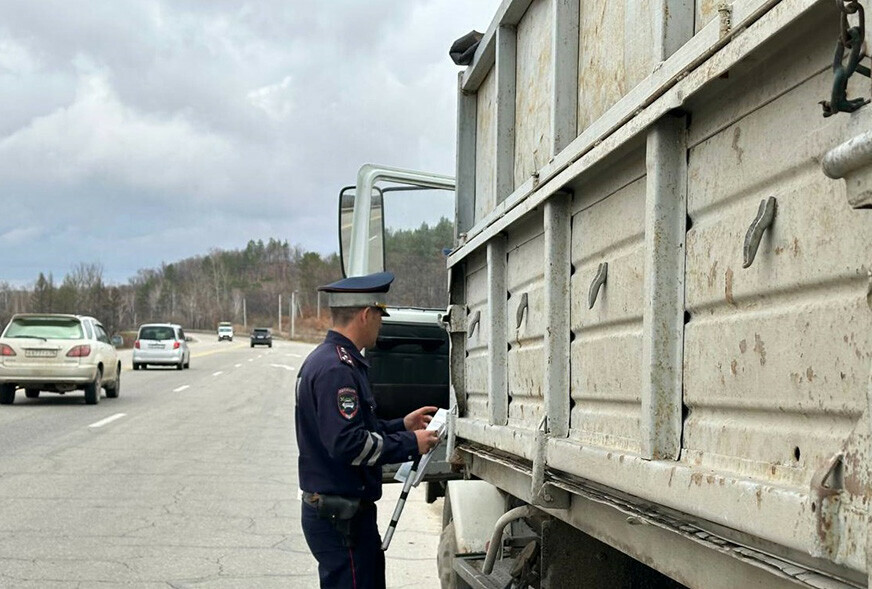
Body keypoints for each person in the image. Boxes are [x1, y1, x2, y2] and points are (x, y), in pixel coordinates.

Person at [295, 271, 440, 589]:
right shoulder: (336, 370)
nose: (381, 323)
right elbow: (347, 444)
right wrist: (409, 443)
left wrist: (402, 425)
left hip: (345, 515)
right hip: (341, 517)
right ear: (365, 314)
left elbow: (360, 429)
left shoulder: (330, 362)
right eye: (379, 315)